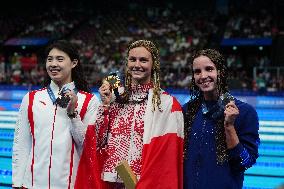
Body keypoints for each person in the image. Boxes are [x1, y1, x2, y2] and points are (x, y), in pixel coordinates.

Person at [75, 39, 184, 189]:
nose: (137, 65)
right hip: (111, 180)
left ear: (154, 65)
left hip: (146, 181)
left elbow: (168, 156)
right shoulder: (115, 97)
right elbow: (98, 141)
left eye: (143, 60)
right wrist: (105, 105)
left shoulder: (166, 104)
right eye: (132, 59)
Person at [12, 40, 100, 188]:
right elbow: (21, 143)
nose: (53, 64)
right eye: (49, 59)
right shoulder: (32, 98)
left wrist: (73, 114)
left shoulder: (89, 101)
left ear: (73, 63)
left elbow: (88, 146)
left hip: (70, 185)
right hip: (33, 184)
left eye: (60, 59)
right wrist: (17, 182)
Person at [183, 49, 260, 189]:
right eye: (197, 71)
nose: (203, 75)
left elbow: (245, 162)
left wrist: (229, 127)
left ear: (221, 72)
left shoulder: (245, 113)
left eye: (209, 69)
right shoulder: (187, 111)